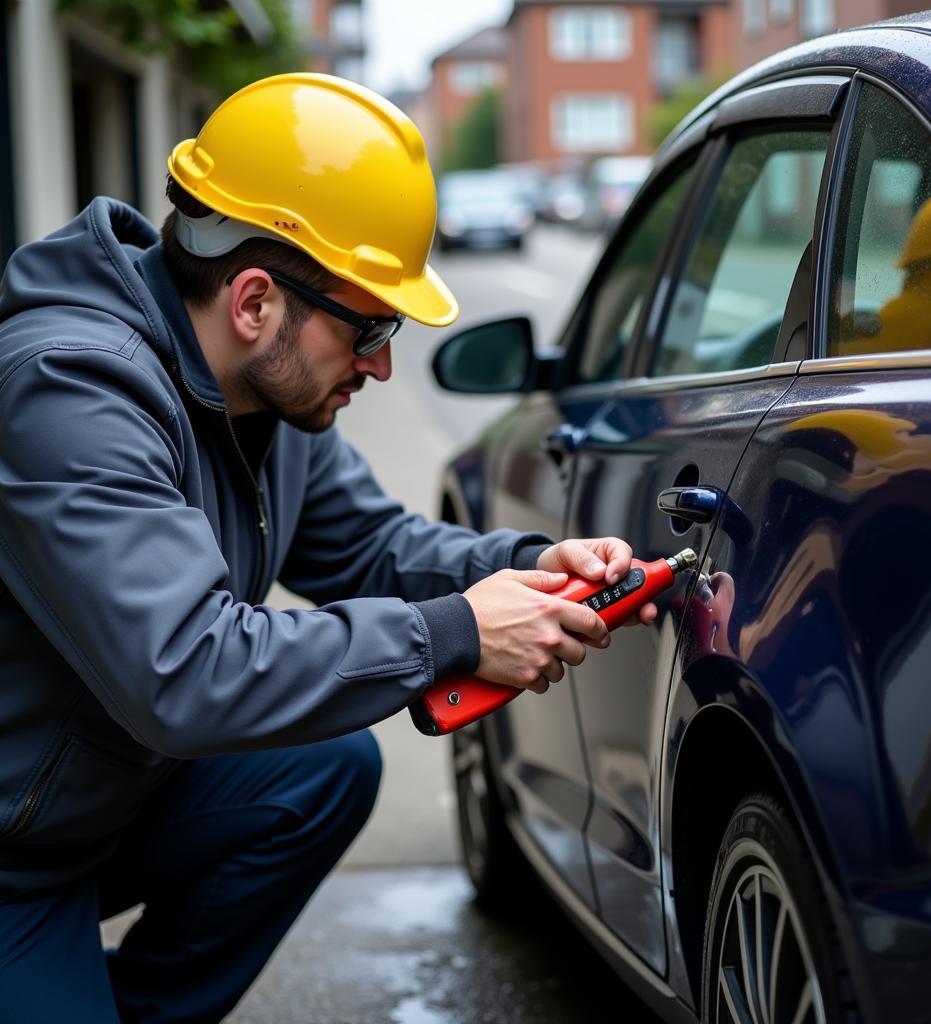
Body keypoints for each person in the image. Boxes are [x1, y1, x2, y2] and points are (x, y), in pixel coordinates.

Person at [0, 74, 656, 1023]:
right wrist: (458, 633)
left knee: (330, 766)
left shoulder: (266, 397)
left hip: (92, 809)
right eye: (369, 326)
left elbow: (372, 546)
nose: (383, 362)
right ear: (256, 301)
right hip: (14, 852)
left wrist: (524, 568)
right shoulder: (67, 392)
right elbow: (184, 669)